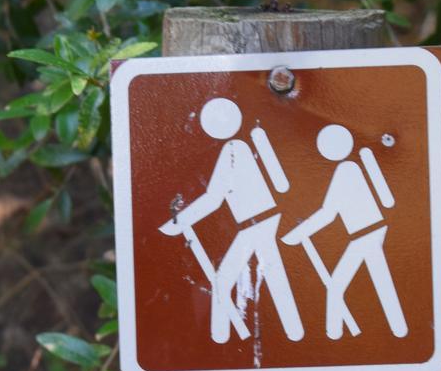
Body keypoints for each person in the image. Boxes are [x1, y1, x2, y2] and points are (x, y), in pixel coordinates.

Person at [159, 97, 304, 345]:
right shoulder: (243, 145)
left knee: (224, 280)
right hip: (262, 221)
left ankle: (220, 340)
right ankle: (294, 333)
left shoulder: (234, 150)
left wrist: (179, 222)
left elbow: (214, 197)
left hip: (255, 223)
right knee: (271, 273)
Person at [281, 123, 408, 340]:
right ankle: (399, 329)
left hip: (364, 234)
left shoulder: (346, 170)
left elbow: (329, 212)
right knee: (381, 280)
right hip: (371, 231)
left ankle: (333, 337)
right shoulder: (353, 166)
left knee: (337, 286)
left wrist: (300, 233)